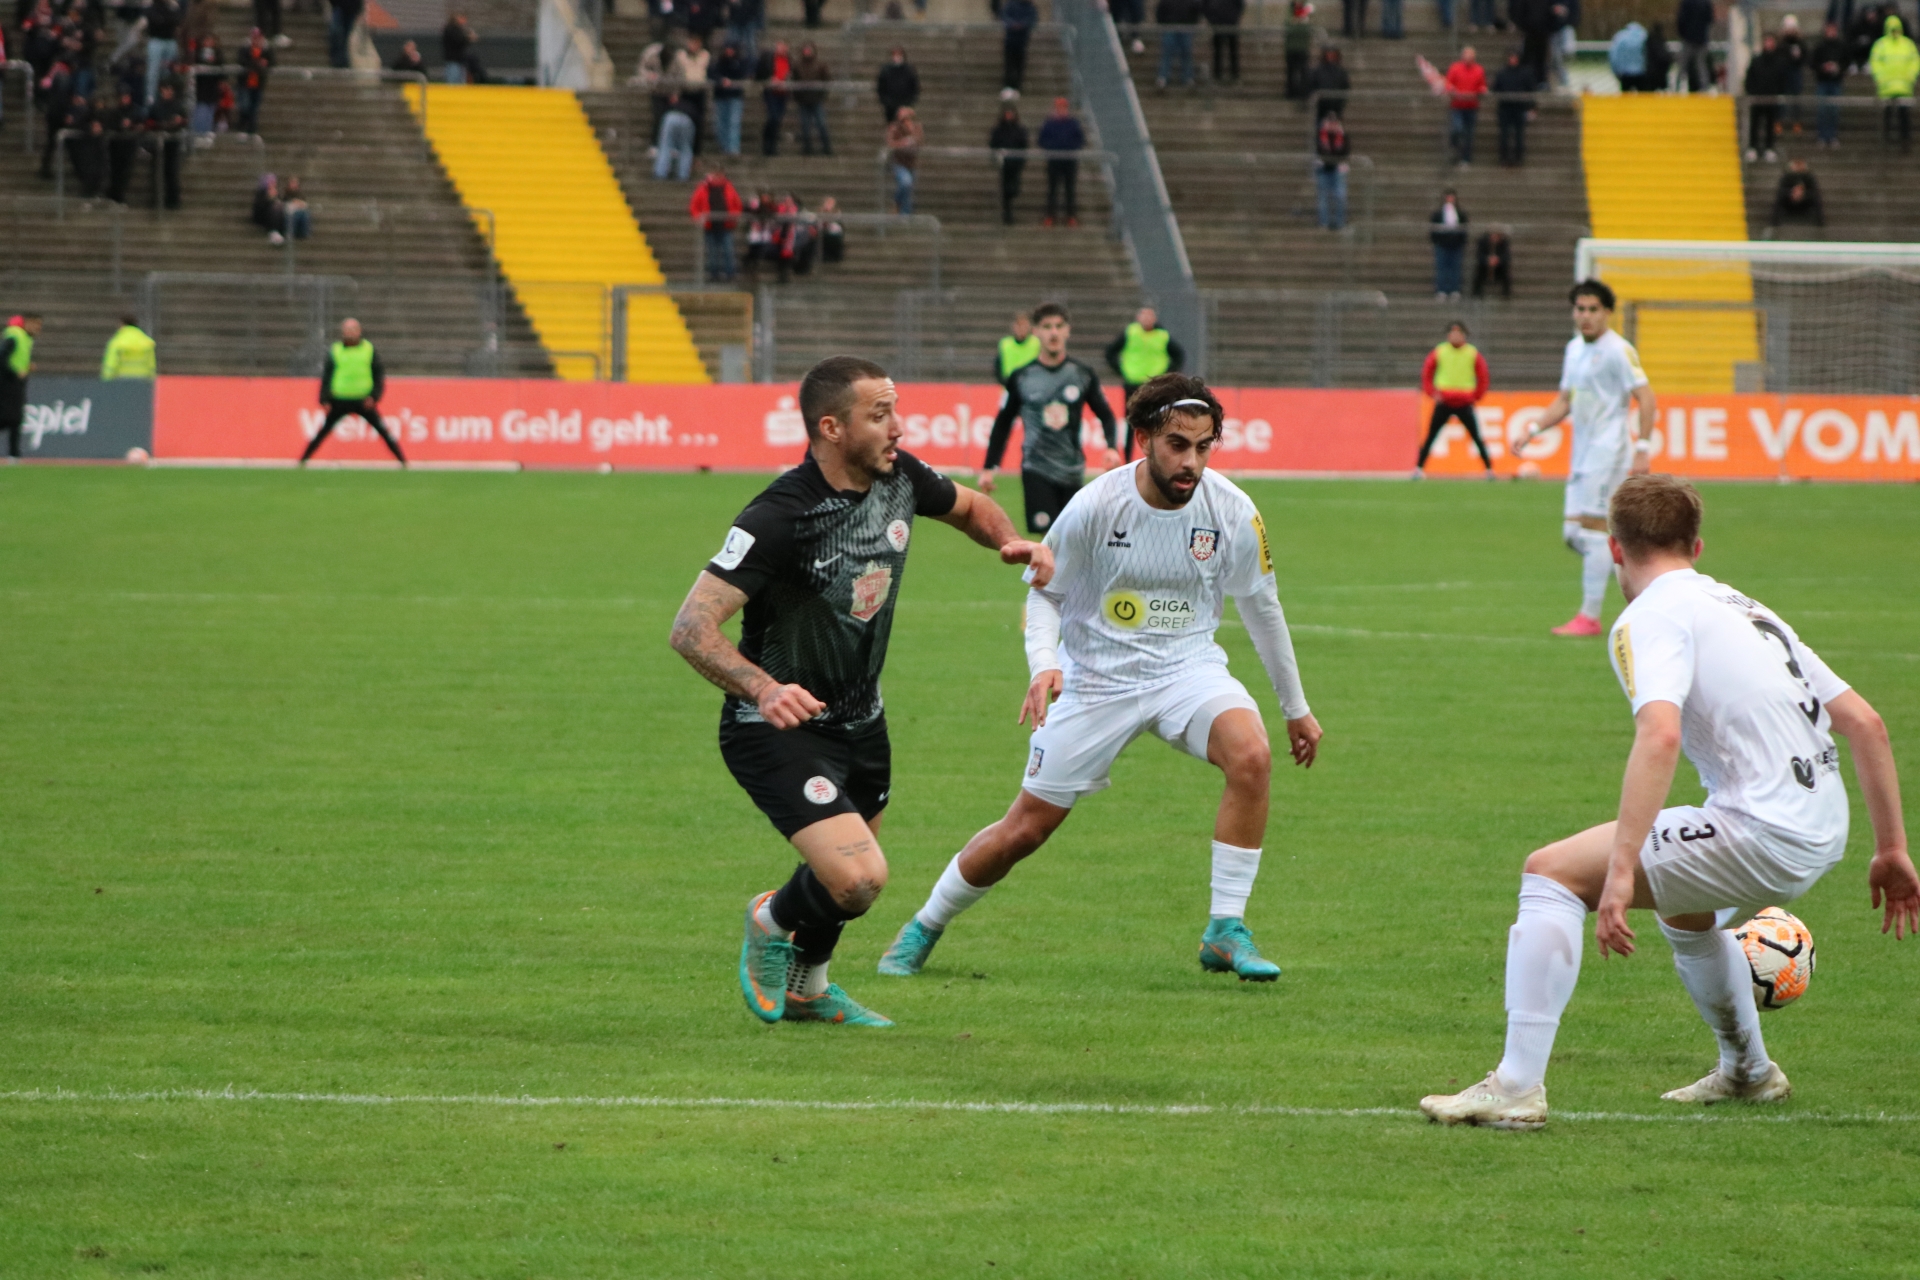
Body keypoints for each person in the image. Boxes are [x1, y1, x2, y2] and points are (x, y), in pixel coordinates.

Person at [1420, 474, 1920, 1129]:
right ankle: (1748, 1072)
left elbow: (1660, 734)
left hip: (1762, 829)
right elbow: (1866, 723)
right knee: (1686, 912)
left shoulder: (1650, 615)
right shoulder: (1746, 608)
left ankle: (1515, 1087)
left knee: (1551, 873)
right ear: (1696, 546)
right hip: (1823, 827)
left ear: (1616, 549)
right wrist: (1891, 849)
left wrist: (1620, 869)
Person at [878, 374, 1322, 984]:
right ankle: (924, 925)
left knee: (1252, 757)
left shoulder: (1233, 511)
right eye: (1176, 445)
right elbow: (1044, 592)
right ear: (1142, 438)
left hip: (1187, 669)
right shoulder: (1095, 505)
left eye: (1203, 446)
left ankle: (1225, 929)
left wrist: (1295, 707)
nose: (1190, 462)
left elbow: (1262, 608)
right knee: (1025, 829)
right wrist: (1045, 664)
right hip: (1095, 681)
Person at [668, 356, 1053, 1030]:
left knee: (851, 887)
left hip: (862, 721)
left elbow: (970, 506)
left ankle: (809, 988)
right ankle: (769, 920)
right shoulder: (779, 516)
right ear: (832, 428)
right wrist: (764, 689)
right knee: (858, 878)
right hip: (778, 728)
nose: (897, 427)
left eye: (895, 410)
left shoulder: (900, 477)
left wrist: (1009, 541)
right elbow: (691, 628)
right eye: (880, 415)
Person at [1523, 280, 1656, 636]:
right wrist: (1533, 428)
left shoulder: (1619, 350)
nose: (1585, 316)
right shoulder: (1573, 349)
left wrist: (1643, 447)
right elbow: (1565, 399)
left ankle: (1590, 617)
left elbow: (1646, 397)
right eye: (1580, 309)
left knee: (1594, 531)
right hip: (1581, 452)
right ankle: (1638, 571)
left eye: (1593, 309)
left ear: (1607, 312)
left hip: (1608, 450)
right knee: (1574, 533)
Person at [979, 303, 1120, 533]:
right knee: (1048, 537)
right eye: (1046, 327)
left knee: (1071, 538)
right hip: (1036, 468)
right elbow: (1003, 423)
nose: (1053, 333)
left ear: (1067, 330)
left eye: (1059, 326)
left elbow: (1106, 415)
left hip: (1072, 469)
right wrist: (989, 467)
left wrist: (1112, 447)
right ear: (1035, 331)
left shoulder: (1081, 374)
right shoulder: (1022, 377)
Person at [301, 319, 404, 465]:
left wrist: (374, 396)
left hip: (363, 400)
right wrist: (324, 399)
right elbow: (327, 376)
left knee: (383, 432)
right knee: (322, 433)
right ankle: (302, 461)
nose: (350, 333)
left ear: (359, 331)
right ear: (342, 332)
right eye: (347, 330)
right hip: (339, 400)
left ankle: (403, 462)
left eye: (353, 329)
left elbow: (378, 375)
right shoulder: (336, 350)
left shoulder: (368, 349)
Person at [1415, 320, 1492, 476]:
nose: (1455, 337)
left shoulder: (1472, 353)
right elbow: (1427, 372)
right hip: (1444, 401)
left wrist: (1476, 395)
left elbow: (1483, 375)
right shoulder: (1440, 351)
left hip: (1464, 402)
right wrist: (1432, 392)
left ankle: (1489, 470)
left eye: (1458, 334)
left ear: (1464, 336)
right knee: (1431, 436)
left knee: (1476, 437)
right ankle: (1418, 469)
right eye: (1452, 334)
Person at [1104, 305, 1186, 433]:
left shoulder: (1162, 335)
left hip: (1154, 384)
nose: (1147, 319)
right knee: (1131, 419)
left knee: (1156, 418)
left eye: (1149, 316)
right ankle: (1128, 446)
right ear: (1138, 318)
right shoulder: (1131, 333)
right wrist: (1121, 371)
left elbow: (1178, 355)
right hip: (1133, 382)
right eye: (1144, 316)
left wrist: (1166, 374)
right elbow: (1110, 352)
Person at [1871, 13, 1918, 147]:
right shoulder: (1906, 44)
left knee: (1903, 115)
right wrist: (1910, 77)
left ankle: (1903, 140)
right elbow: (1875, 63)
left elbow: (1915, 62)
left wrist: (1910, 76)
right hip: (1893, 86)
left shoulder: (1882, 44)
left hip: (1898, 86)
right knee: (1889, 115)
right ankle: (1889, 139)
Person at [689, 165, 743, 281]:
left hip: (726, 226)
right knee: (712, 253)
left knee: (728, 251)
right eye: (716, 175)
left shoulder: (729, 187)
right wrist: (698, 218)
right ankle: (714, 275)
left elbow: (737, 205)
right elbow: (694, 206)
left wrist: (734, 216)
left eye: (720, 175)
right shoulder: (703, 188)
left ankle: (730, 274)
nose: (718, 177)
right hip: (710, 226)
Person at [1038, 96, 1083, 227]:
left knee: (1070, 189)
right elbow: (1042, 140)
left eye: (1063, 107)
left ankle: (1071, 216)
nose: (1061, 110)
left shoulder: (1073, 123)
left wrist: (1070, 148)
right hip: (1054, 160)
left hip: (1069, 161)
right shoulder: (1049, 123)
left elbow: (1080, 139)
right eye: (1059, 107)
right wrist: (1052, 148)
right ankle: (1050, 215)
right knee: (1052, 189)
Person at [1, 315, 41, 461]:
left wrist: (26, 367)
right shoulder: (16, 337)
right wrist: (15, 372)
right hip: (8, 384)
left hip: (14, 384)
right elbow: (2, 358)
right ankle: (14, 454)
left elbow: (15, 359)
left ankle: (14, 454)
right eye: (35, 324)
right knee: (11, 418)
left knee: (14, 419)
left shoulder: (24, 339)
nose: (38, 329)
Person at [1745, 33, 1789, 160]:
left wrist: (1779, 93)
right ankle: (1752, 147)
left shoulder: (1779, 62)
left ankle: (1769, 148)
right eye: (1767, 42)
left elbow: (1783, 80)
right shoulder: (1756, 60)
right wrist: (1752, 92)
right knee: (1755, 124)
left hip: (1772, 99)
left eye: (1771, 42)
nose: (1768, 44)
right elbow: (1749, 78)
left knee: (1770, 124)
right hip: (1757, 99)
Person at [1493, 49, 1536, 164]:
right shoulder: (1502, 73)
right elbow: (1496, 89)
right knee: (1504, 134)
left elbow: (1531, 90)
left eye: (1515, 57)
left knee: (1519, 134)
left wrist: (1531, 107)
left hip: (1519, 108)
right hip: (1505, 108)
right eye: (1511, 57)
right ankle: (1503, 157)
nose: (1513, 59)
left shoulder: (1525, 73)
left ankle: (1519, 157)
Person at [1445, 45, 1486, 164]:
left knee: (1469, 134)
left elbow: (1482, 85)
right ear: (1462, 56)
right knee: (1457, 129)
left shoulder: (1479, 70)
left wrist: (1482, 90)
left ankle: (1466, 158)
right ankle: (1454, 147)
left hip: (1472, 106)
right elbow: (1448, 83)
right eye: (1466, 55)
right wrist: (1452, 89)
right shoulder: (1455, 68)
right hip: (1457, 105)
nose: (1468, 58)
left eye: (1471, 56)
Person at [671, 34, 711, 155]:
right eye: (691, 42)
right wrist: (675, 92)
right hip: (685, 92)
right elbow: (676, 74)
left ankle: (696, 152)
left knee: (698, 123)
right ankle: (679, 149)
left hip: (699, 92)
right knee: (683, 120)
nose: (693, 46)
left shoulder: (704, 55)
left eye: (696, 43)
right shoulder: (681, 55)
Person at [708, 38, 749, 156]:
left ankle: (733, 148)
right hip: (721, 96)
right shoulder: (719, 62)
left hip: (735, 96)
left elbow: (742, 74)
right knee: (721, 123)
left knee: (733, 123)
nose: (729, 51)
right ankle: (723, 147)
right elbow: (712, 73)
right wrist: (721, 80)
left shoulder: (739, 61)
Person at [989, 101, 1028, 225]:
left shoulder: (1019, 130)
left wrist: (1021, 160)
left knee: (1014, 187)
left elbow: (1023, 145)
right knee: (1006, 189)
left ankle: (1009, 209)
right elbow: (993, 144)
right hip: (1004, 164)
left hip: (1015, 163)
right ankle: (1007, 214)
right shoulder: (999, 130)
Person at [1813, 20, 1849, 144]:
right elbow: (1813, 62)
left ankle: (1832, 135)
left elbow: (1846, 62)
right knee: (1822, 110)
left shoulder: (1841, 46)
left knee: (1834, 111)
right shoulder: (1820, 46)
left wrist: (1838, 68)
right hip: (1823, 82)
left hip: (1836, 82)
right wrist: (1823, 68)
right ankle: (1822, 136)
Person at [1429, 190, 1468, 299]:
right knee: (1442, 268)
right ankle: (1441, 289)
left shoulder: (1460, 213)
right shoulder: (1438, 214)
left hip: (1456, 245)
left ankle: (1454, 289)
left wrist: (1460, 241)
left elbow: (1464, 229)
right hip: (1442, 245)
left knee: (1455, 268)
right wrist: (1437, 241)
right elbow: (1433, 229)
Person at [793, 41, 831, 155]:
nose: (807, 52)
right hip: (803, 100)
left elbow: (827, 80)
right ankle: (807, 148)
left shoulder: (820, 65)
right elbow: (794, 82)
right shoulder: (798, 66)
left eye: (809, 50)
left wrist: (822, 95)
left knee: (821, 124)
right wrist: (797, 96)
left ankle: (827, 147)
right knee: (805, 126)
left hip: (816, 100)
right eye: (805, 50)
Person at [1315, 110, 1350, 229]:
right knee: (1323, 197)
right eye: (1330, 122)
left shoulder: (1342, 136)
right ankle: (1324, 222)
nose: (1332, 125)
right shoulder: (1320, 135)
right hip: (1323, 169)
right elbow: (1320, 151)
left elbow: (1344, 152)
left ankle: (1340, 222)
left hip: (1338, 170)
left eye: (1334, 123)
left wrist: (1333, 156)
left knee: (1340, 197)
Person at [756, 38, 792, 155]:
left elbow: (792, 74)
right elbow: (759, 73)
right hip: (771, 92)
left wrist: (787, 82)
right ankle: (767, 143)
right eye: (779, 46)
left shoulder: (789, 60)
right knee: (773, 117)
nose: (781, 49)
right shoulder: (768, 58)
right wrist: (770, 79)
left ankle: (772, 145)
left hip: (783, 93)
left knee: (778, 120)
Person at [1771, 156, 1825, 231]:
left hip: (1805, 204)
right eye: (1796, 166)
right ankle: (1774, 223)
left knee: (1816, 197)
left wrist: (1803, 194)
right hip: (1789, 203)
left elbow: (1814, 190)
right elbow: (1781, 190)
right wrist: (1792, 193)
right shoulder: (1786, 177)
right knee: (1780, 197)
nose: (1798, 168)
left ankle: (1820, 223)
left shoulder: (1809, 177)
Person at [144, 0, 180, 111]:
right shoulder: (151, 7)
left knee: (168, 73)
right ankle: (150, 101)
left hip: (170, 41)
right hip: (156, 41)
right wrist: (166, 21)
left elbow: (176, 20)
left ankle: (167, 102)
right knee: (153, 73)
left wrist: (166, 20)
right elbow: (156, 21)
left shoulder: (172, 7)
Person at [885, 105, 921, 214]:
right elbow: (890, 143)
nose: (907, 122)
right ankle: (897, 203)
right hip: (899, 163)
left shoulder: (916, 127)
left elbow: (920, 141)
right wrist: (902, 143)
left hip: (912, 163)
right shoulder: (894, 128)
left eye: (908, 119)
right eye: (904, 119)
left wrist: (912, 132)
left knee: (909, 191)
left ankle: (904, 214)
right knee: (906, 182)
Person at [1156, 0, 1199, 88]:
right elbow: (1160, 11)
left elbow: (1195, 11)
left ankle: (1187, 77)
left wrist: (1191, 24)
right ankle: (1163, 77)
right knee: (1167, 53)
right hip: (1170, 27)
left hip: (1186, 28)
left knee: (1186, 53)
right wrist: (1164, 24)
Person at [236, 27, 271, 136]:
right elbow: (242, 61)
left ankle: (251, 129)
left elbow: (272, 62)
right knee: (245, 105)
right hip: (245, 83)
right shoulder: (245, 49)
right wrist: (257, 63)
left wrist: (265, 63)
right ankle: (243, 126)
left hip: (258, 83)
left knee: (254, 108)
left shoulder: (266, 50)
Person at [100, 314, 156, 378]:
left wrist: (106, 378)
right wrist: (151, 378)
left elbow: (110, 363)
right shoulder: (147, 342)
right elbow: (151, 364)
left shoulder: (117, 342)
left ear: (122, 324)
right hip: (142, 378)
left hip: (122, 378)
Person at [655, 92, 695, 179]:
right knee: (685, 148)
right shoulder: (691, 101)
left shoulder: (667, 101)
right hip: (688, 118)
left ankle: (660, 173)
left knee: (665, 146)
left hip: (671, 116)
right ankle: (683, 175)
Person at [875, 46, 917, 126]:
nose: (897, 58)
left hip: (905, 104)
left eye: (899, 55)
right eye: (895, 55)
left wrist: (908, 102)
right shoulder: (886, 71)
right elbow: (881, 87)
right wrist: (887, 102)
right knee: (892, 125)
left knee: (905, 124)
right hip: (890, 105)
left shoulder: (909, 70)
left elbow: (913, 87)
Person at [1676, 0, 1713, 89]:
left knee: (1683, 64)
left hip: (1688, 38)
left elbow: (1681, 19)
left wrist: (1683, 33)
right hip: (1702, 39)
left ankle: (1677, 88)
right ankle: (1704, 88)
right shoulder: (1706, 3)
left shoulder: (1687, 2)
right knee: (1701, 65)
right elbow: (1710, 19)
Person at [996, 310, 1039, 383]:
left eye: (1024, 325)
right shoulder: (1005, 344)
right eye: (1019, 325)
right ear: (1013, 327)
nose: (1021, 329)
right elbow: (998, 367)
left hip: (1032, 385)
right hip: (1009, 385)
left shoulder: (1037, 343)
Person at [1285, 0, 1317, 98]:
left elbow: (1307, 29)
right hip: (1291, 48)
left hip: (1303, 48)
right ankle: (1291, 93)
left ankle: (1303, 93)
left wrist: (1297, 24)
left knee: (1304, 72)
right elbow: (1288, 29)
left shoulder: (1307, 10)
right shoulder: (1289, 13)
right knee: (1291, 72)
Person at [1002, 0, 1037, 90]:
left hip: (1022, 41)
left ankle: (1018, 85)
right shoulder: (1011, 5)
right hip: (1010, 40)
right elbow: (1005, 17)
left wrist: (1022, 25)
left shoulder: (1030, 7)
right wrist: (1012, 24)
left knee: (1019, 64)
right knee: (1009, 63)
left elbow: (1032, 20)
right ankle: (1008, 84)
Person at [1309, 45, 1349, 120]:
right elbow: (1312, 84)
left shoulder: (1341, 72)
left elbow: (1345, 86)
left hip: (1336, 106)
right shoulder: (1318, 71)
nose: (1331, 56)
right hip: (1322, 107)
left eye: (1333, 54)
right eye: (1329, 54)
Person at [1209, 0, 1243, 82]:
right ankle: (1217, 74)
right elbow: (1206, 5)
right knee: (1218, 52)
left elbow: (1240, 5)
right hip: (1217, 25)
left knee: (1233, 51)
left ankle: (1234, 74)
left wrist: (1234, 18)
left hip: (1231, 25)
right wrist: (1212, 19)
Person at [1472, 227, 1512, 295]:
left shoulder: (1503, 243)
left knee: (1506, 274)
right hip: (1485, 266)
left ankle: (1506, 294)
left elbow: (1506, 256)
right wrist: (1487, 260)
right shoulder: (1483, 242)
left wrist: (1498, 260)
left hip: (1499, 267)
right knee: (1479, 273)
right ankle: (1477, 293)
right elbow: (1479, 255)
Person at [1608, 19, 1647, 89]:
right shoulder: (1644, 37)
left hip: (1625, 74)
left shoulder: (1620, 38)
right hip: (1642, 74)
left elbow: (1614, 56)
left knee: (1626, 95)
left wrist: (1616, 71)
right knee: (1642, 95)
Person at [328, 0, 361, 68]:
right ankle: (336, 57)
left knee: (345, 36)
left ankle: (342, 59)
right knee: (335, 31)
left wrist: (358, 9)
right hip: (339, 7)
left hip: (351, 10)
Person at [442, 12, 473, 83]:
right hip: (453, 60)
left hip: (459, 60)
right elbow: (458, 41)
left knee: (460, 81)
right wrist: (468, 38)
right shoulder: (451, 29)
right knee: (453, 82)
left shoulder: (457, 29)